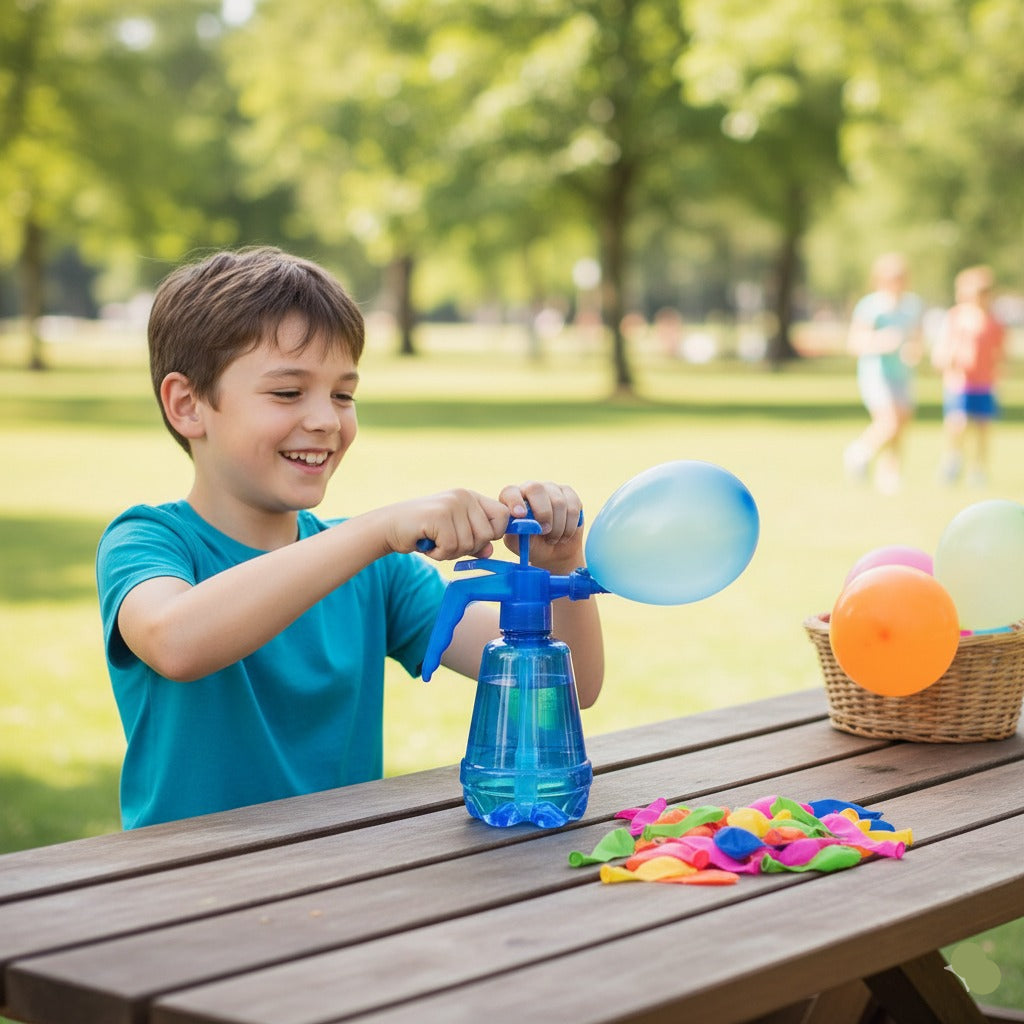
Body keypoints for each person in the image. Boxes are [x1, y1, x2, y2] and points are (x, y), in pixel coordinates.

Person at [96, 247, 604, 829]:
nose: (327, 420)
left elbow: (574, 688)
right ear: (187, 405)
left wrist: (560, 561)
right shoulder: (148, 540)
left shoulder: (376, 570)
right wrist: (374, 530)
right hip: (187, 891)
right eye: (288, 392)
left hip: (344, 884)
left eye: (343, 394)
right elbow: (175, 643)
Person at [843, 253, 925, 494]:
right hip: (876, 373)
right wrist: (881, 341)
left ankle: (890, 472)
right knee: (888, 421)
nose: (896, 282)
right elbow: (854, 343)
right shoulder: (871, 306)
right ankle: (858, 453)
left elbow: (916, 339)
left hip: (902, 372)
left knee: (902, 423)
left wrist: (914, 351)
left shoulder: (913, 305)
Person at [931, 264, 1006, 486]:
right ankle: (952, 461)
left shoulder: (994, 323)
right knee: (958, 424)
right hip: (960, 382)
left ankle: (978, 468)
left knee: (983, 426)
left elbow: (999, 353)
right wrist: (946, 360)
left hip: (985, 383)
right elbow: (943, 348)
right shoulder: (956, 318)